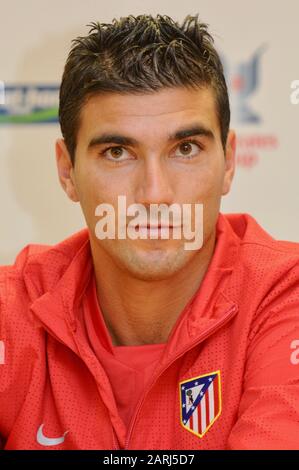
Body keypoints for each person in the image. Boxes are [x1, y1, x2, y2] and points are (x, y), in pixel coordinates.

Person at [0, 13, 299, 451]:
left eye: (185, 149)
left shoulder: (284, 296)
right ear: (67, 170)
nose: (155, 195)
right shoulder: (14, 313)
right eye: (118, 152)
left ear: (229, 161)